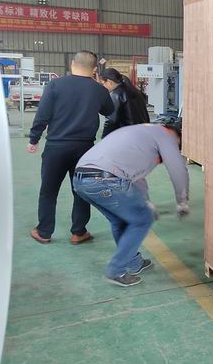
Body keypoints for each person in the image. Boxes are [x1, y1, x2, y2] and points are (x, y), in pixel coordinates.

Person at [72, 118, 189, 287]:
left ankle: (134, 262)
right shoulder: (167, 136)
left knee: (121, 219)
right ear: (179, 135)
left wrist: (146, 201)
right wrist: (182, 201)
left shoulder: (143, 133)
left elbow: (135, 178)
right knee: (143, 219)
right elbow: (177, 168)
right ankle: (116, 270)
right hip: (105, 180)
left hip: (81, 180)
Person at [28, 51, 114, 245]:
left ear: (72, 64)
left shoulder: (55, 85)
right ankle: (79, 232)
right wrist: (98, 91)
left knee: (49, 191)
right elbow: (109, 111)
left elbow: (43, 115)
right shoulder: (98, 89)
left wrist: (34, 139)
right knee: (81, 190)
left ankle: (44, 232)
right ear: (94, 69)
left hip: (56, 146)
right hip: (85, 148)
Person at [99, 67, 150, 138]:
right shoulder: (135, 91)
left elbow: (111, 121)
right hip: (142, 133)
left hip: (127, 135)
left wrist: (104, 139)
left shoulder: (116, 94)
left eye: (103, 84)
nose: (103, 87)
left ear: (109, 81)